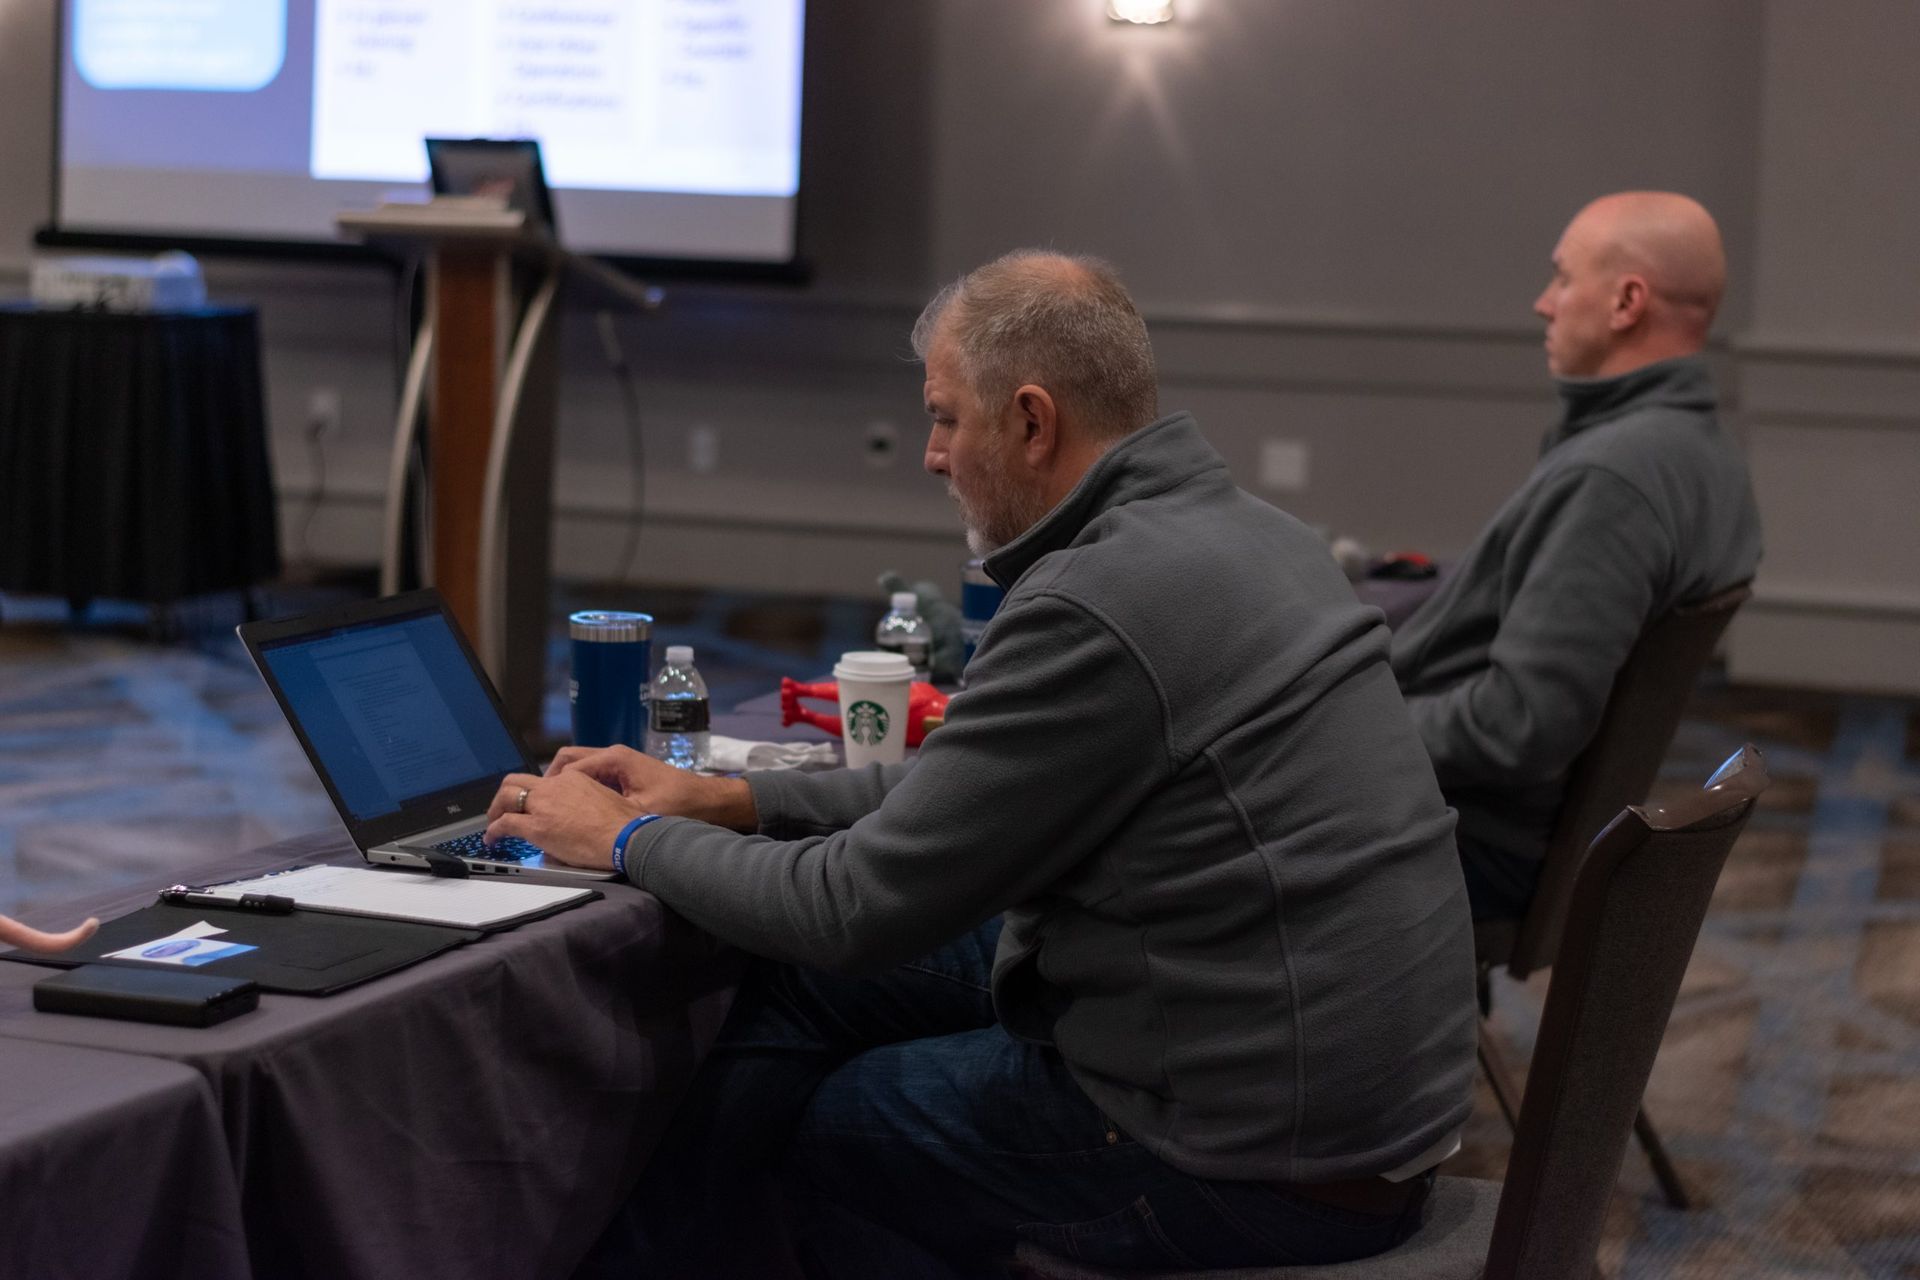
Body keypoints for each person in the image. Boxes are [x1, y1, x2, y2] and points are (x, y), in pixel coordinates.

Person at [488, 250, 1477, 1277]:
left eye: (947, 417)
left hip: (1254, 1170)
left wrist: (631, 838)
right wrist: (735, 796)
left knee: (836, 1126)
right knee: (794, 992)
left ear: (1033, 421)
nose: (931, 452)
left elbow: (855, 908)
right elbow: (971, 777)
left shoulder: (1097, 599)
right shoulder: (1259, 538)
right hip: (1354, 1111)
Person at [1390, 192, 1763, 920]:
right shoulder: (1704, 456)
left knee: (1160, 844)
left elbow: (1519, 726)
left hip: (1470, 835)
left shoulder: (1614, 479)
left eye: (1563, 278)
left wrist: (1345, 728)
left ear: (1627, 301)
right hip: (1514, 823)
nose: (1543, 302)